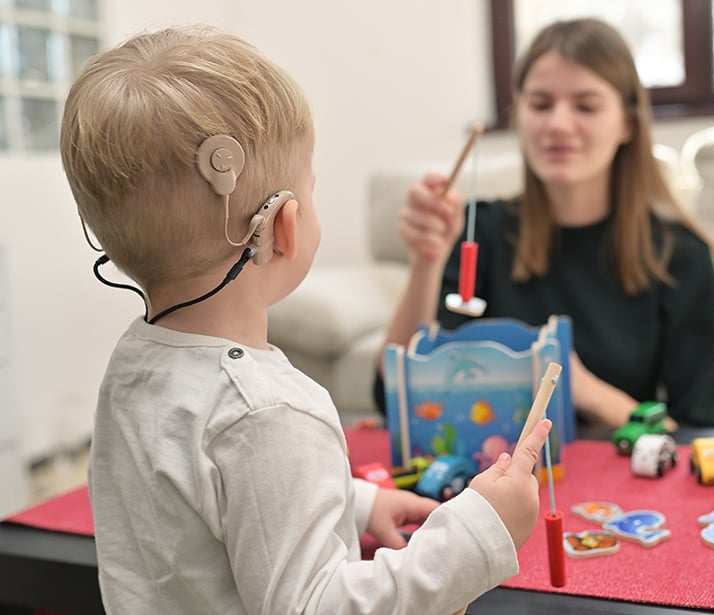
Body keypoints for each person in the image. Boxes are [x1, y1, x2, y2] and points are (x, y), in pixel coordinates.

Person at [60, 25, 551, 614]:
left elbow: (211, 495)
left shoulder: (135, 362)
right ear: (284, 227)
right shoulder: (268, 411)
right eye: (313, 189)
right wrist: (477, 532)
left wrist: (360, 502)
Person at [376, 18, 714, 431]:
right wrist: (425, 262)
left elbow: (693, 433)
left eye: (586, 106)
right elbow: (392, 396)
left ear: (628, 123)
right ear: (519, 116)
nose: (557, 124)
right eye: (540, 104)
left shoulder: (681, 256)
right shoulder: (478, 230)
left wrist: (582, 387)